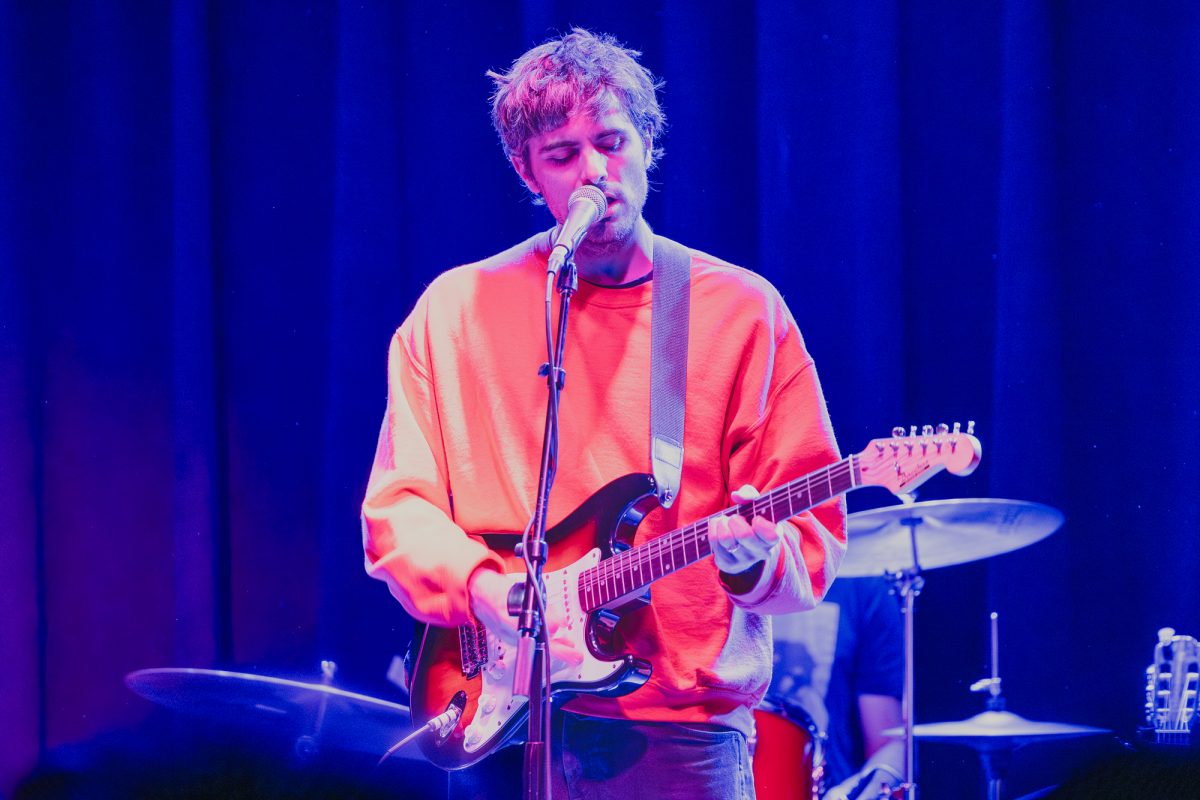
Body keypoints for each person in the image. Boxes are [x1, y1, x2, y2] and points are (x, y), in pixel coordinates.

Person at [360, 28, 846, 800]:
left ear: (648, 142)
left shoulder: (741, 313)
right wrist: (485, 589)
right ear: (527, 171)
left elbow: (812, 541)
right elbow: (396, 512)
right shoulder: (453, 311)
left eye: (613, 142)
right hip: (492, 724)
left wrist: (751, 561)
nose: (595, 172)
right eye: (562, 155)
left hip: (680, 738)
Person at [766, 577, 904, 799]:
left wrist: (863, 787)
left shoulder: (864, 586)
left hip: (828, 789)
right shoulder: (712, 571)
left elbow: (886, 740)